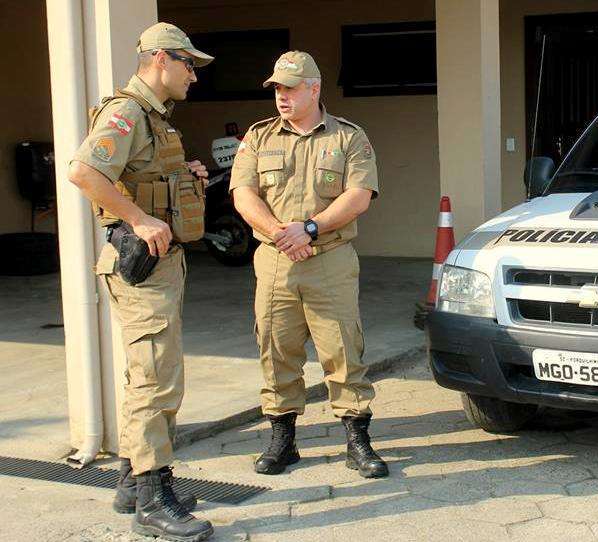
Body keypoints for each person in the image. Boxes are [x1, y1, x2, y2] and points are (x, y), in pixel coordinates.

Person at [68, 22, 215, 542]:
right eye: (188, 64)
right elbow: (84, 172)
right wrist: (139, 218)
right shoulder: (127, 111)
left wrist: (184, 179)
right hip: (143, 265)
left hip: (161, 264)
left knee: (149, 376)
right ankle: (153, 500)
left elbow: (142, 177)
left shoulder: (155, 117)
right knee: (156, 380)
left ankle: (134, 481)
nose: (193, 75)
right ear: (160, 59)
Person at [230, 51, 387, 479]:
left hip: (329, 259)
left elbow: (358, 195)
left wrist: (311, 229)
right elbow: (243, 193)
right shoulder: (258, 137)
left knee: (343, 348)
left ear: (314, 89)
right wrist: (282, 233)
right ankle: (283, 440)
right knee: (276, 349)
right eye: (276, 89)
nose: (281, 96)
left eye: (290, 88)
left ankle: (357, 440)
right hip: (275, 260)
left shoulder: (348, 137)